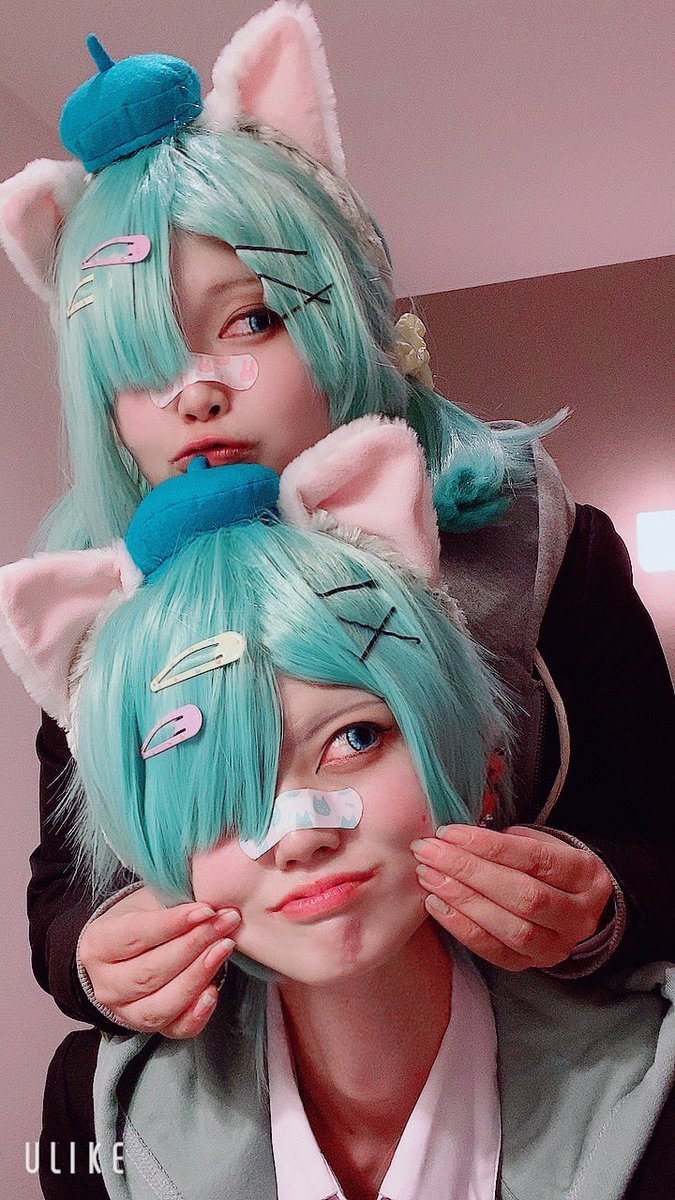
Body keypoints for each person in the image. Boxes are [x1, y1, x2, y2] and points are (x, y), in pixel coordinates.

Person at [1, 423, 673, 1200]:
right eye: (219, 786)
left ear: (483, 774)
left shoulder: (652, 1100)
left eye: (356, 738)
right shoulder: (96, 1120)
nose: (298, 833)